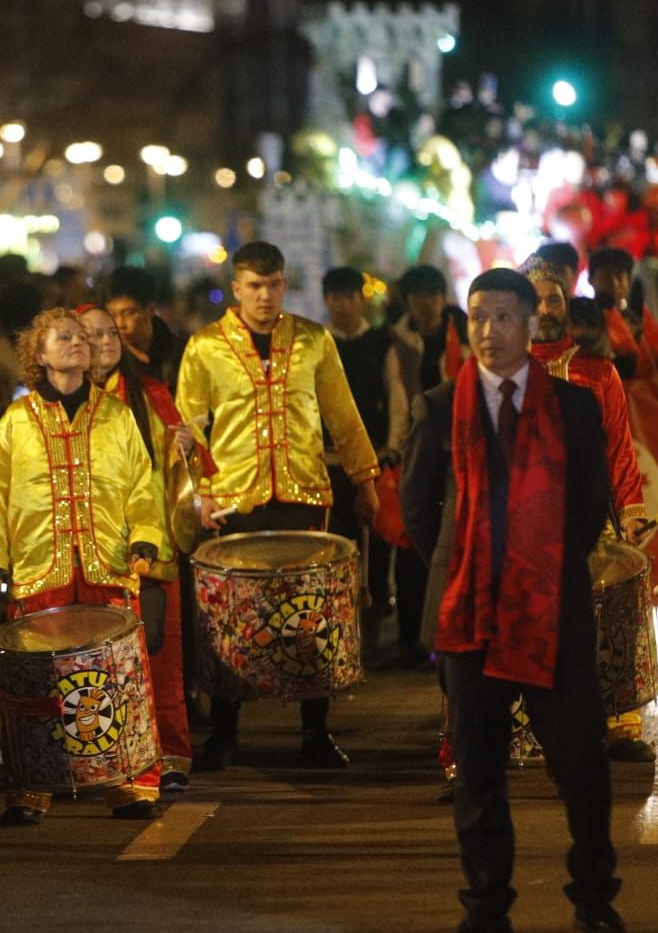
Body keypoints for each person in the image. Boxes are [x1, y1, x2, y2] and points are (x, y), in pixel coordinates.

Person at [401, 268, 622, 933]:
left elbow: (591, 504)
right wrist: (463, 568)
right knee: (479, 770)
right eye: (476, 318)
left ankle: (592, 893)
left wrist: (543, 565)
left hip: (551, 610)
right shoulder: (439, 406)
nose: (488, 331)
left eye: (502, 317)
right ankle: (486, 904)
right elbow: (416, 507)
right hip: (470, 617)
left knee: (582, 765)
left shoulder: (574, 406)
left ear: (530, 324)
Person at [176, 241, 380, 770]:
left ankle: (314, 731)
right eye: (253, 286)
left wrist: (365, 480)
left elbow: (343, 413)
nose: (264, 296)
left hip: (303, 493)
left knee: (310, 618)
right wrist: (197, 493)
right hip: (235, 502)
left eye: (272, 285)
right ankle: (224, 731)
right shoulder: (204, 347)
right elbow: (187, 428)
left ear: (284, 286)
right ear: (237, 288)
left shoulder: (313, 340)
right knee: (230, 618)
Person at [0, 308, 167, 824]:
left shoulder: (117, 415)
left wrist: (145, 538)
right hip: (40, 567)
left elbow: (141, 485)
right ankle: (31, 787)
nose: (78, 344)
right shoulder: (16, 420)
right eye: (65, 338)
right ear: (39, 354)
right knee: (35, 682)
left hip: (108, 565)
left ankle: (131, 782)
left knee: (118, 675)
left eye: (82, 337)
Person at [522, 257, 656, 763]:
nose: (544, 309)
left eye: (553, 299)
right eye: (533, 300)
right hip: (526, 524)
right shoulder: (504, 372)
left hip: (587, 519)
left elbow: (620, 446)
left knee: (606, 619)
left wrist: (632, 508)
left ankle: (621, 722)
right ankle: (535, 725)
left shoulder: (597, 372)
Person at [78, 304, 202, 792]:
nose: (107, 341)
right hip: (91, 550)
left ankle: (170, 754)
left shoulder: (150, 392)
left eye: (111, 332)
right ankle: (104, 758)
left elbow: (196, 460)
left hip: (152, 547)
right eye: (94, 334)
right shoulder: (56, 404)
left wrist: (188, 448)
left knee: (161, 660)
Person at [320, 267, 412, 660]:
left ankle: (370, 631)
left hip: (371, 461)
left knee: (376, 548)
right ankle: (339, 630)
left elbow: (395, 398)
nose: (342, 304)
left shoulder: (380, 344)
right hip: (324, 461)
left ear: (362, 299)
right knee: (334, 547)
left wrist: (392, 445)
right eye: (335, 296)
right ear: (326, 300)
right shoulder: (318, 344)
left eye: (349, 296)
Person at [587, 247, 658, 382]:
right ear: (591, 280)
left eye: (619, 277)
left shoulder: (640, 318)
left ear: (629, 282)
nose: (614, 283)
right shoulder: (583, 316)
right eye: (606, 277)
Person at [389, 264, 468, 398]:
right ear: (407, 302)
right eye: (418, 297)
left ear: (443, 299)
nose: (426, 303)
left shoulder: (464, 336)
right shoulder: (396, 343)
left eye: (432, 295)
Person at [104, 266, 185, 391]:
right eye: (113, 315)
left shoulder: (179, 354)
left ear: (150, 309)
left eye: (128, 313)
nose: (120, 324)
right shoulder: (108, 362)